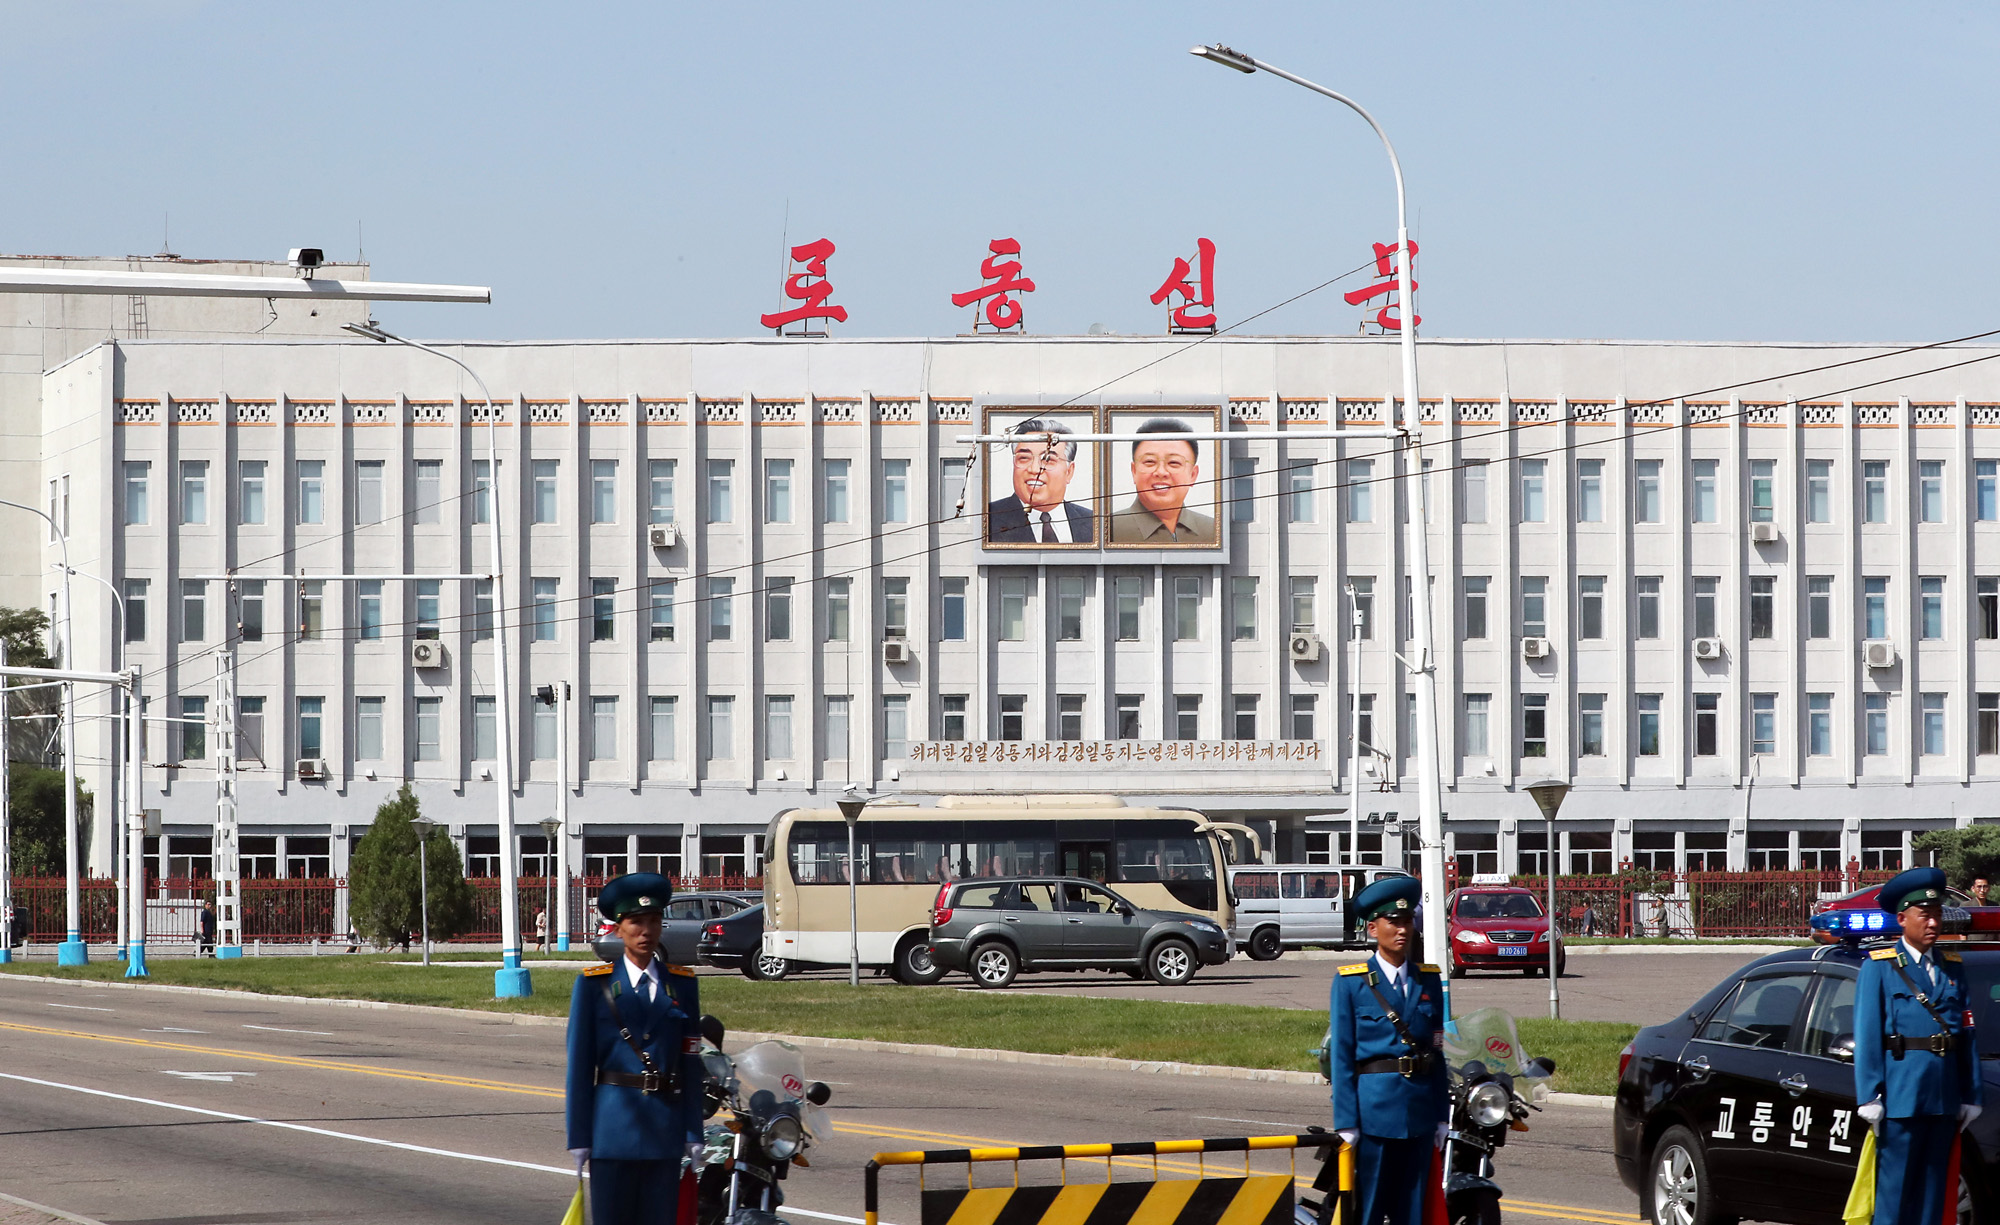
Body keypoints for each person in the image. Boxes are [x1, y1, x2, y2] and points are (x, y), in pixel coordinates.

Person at [566, 872, 706, 1225]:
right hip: (612, 1131)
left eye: (654, 921)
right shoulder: (594, 986)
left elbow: (691, 1066)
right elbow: (580, 1069)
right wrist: (579, 1136)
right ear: (618, 928)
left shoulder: (683, 985)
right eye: (636, 922)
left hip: (664, 1132)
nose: (645, 931)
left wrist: (693, 1132)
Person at [1855, 866, 1983, 1225]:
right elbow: (1866, 1035)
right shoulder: (1880, 968)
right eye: (1924, 915)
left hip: (1943, 1098)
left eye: (1937, 915)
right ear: (1902, 918)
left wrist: (1971, 1092)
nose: (1933, 923)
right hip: (1900, 1099)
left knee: (1933, 1195)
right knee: (1894, 1197)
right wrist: (1869, 1095)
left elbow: (1966, 1034)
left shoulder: (1953, 968)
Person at [1329, 876, 1449, 1225]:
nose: (1402, 930)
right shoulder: (1351, 982)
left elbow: (1437, 1052)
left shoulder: (1428, 979)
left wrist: (1441, 1115)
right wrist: (1347, 1122)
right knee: (1368, 1211)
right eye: (1393, 922)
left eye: (1407, 921)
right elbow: (1342, 1056)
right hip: (1374, 1116)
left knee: (1412, 1213)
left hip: (1420, 1115)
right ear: (1372, 928)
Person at [1109, 419, 1217, 545]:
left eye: (1173, 462)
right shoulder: (1109, 529)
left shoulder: (1213, 531)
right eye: (1150, 461)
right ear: (1134, 471)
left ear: (1193, 475)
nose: (1161, 472)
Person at [987, 418, 1095, 544]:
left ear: (1069, 472)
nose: (1034, 469)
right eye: (1024, 458)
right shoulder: (988, 519)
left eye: (1048, 459)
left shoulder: (1093, 522)